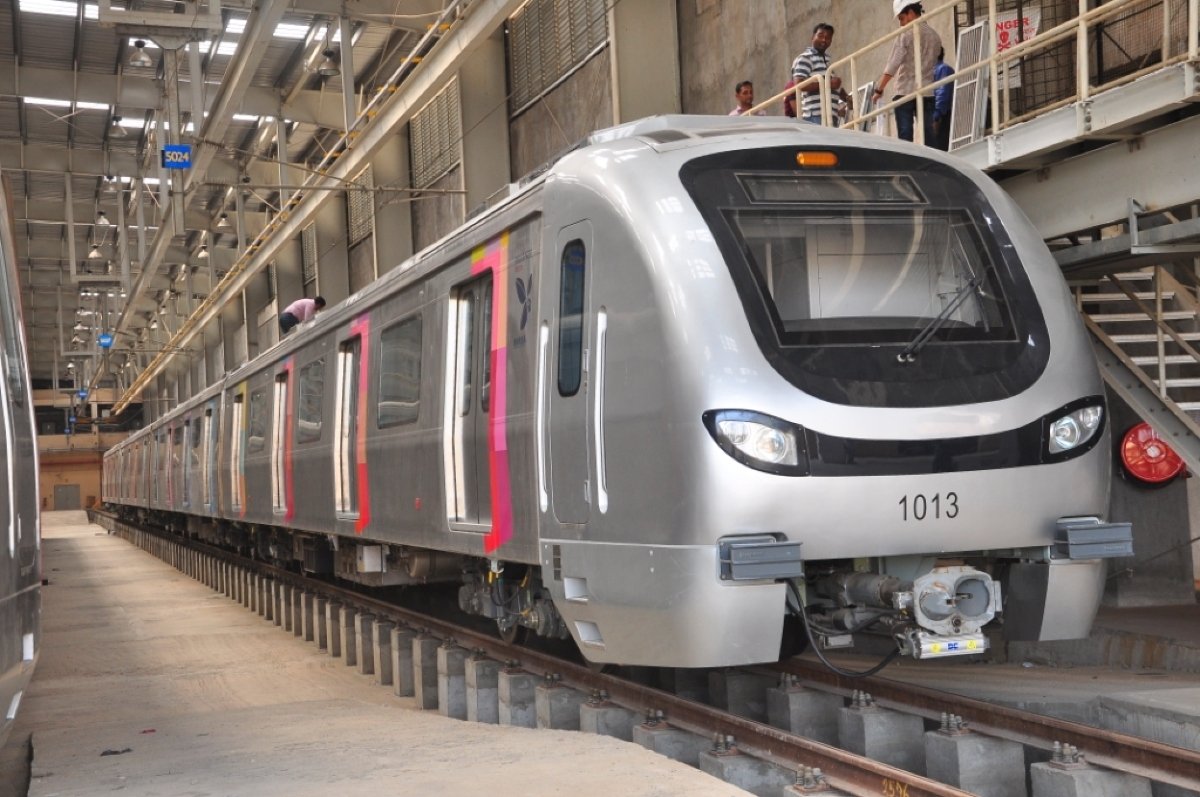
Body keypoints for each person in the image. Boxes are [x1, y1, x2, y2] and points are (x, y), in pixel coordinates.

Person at [872, 1, 942, 144]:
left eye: (901, 18)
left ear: (910, 13)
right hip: (927, 91)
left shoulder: (905, 34)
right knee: (929, 135)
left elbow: (893, 64)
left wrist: (879, 89)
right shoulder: (935, 37)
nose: (901, 24)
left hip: (905, 91)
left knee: (905, 138)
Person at [791, 23, 851, 126]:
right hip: (815, 116)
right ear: (812, 37)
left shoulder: (827, 62)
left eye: (828, 38)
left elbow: (832, 87)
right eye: (820, 36)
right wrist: (829, 83)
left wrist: (847, 98)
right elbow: (799, 84)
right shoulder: (805, 58)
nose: (824, 40)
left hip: (830, 115)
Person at [932, 47, 955, 150]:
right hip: (935, 116)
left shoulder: (943, 69)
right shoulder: (931, 71)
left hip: (942, 117)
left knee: (941, 148)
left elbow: (942, 94)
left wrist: (936, 118)